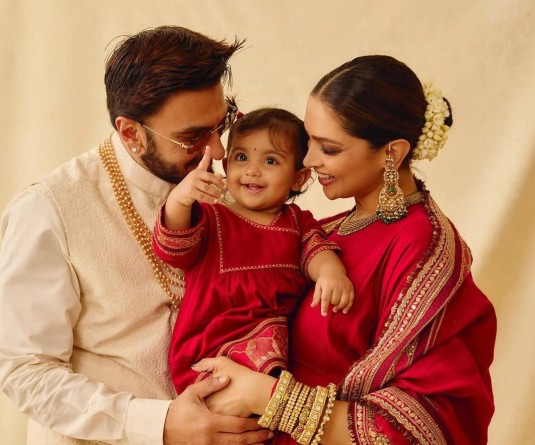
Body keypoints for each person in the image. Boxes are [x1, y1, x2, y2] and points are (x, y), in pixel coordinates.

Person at [191, 55, 497, 445]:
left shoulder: (424, 249)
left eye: (329, 149)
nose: (307, 160)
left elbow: (426, 428)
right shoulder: (325, 230)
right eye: (309, 141)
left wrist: (265, 397)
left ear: (392, 153)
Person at [0, 25, 273, 445]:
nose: (218, 151)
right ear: (131, 133)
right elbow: (25, 372)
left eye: (222, 124)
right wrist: (158, 423)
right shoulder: (49, 208)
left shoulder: (229, 190)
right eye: (192, 137)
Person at [152, 108, 355, 393]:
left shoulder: (296, 222)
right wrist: (180, 200)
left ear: (299, 178)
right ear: (226, 165)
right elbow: (172, 249)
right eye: (241, 157)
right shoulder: (211, 215)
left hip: (273, 345)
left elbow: (316, 251)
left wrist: (331, 272)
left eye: (270, 161)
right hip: (213, 339)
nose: (252, 170)